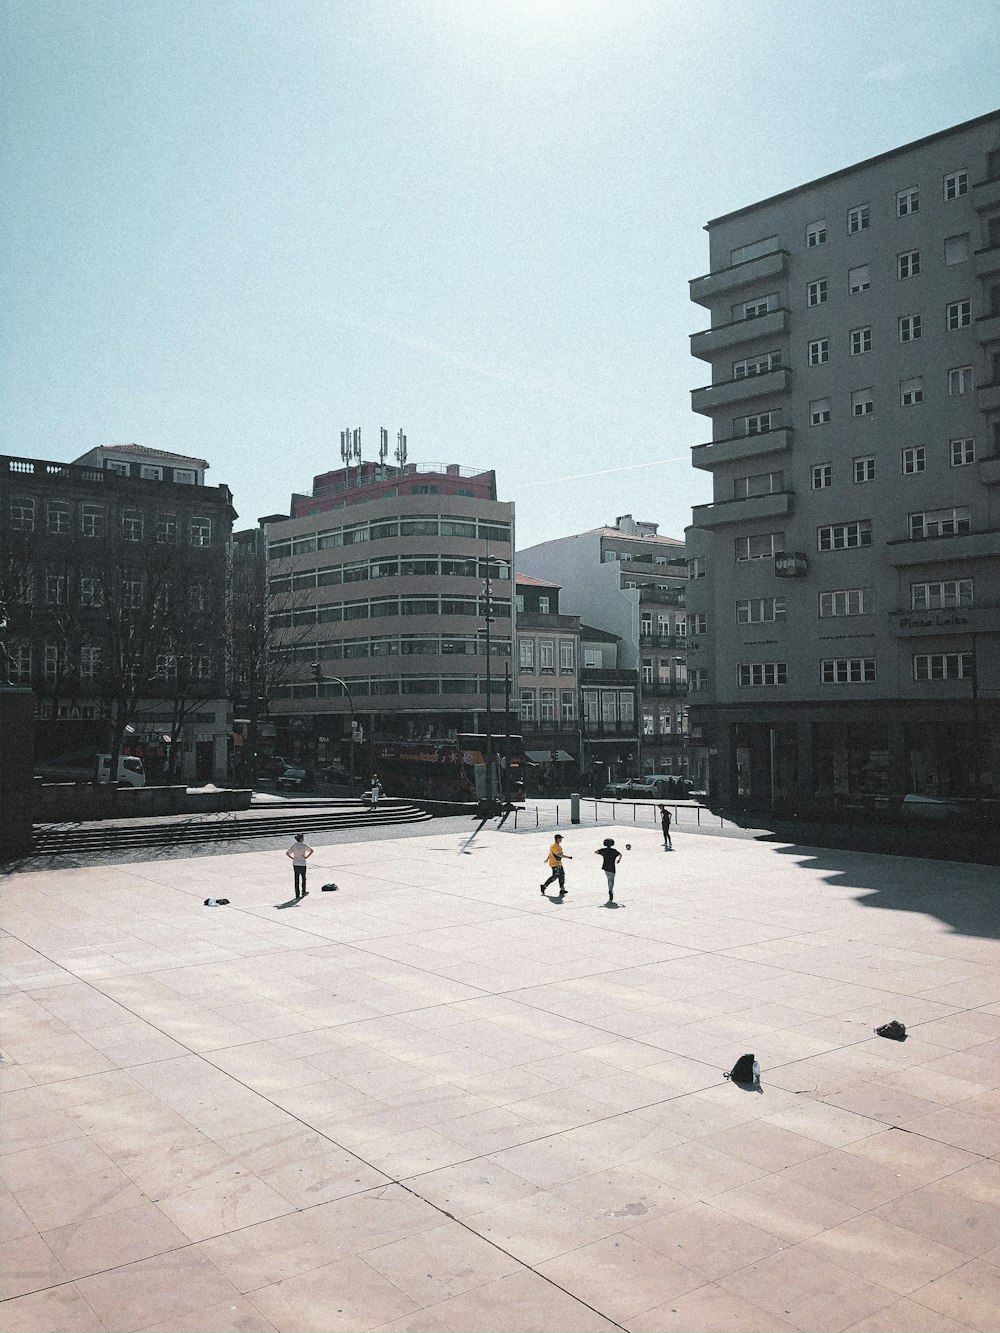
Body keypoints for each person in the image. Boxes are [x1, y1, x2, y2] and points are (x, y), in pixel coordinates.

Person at [286, 832, 313, 898]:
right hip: (302, 863)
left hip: (295, 863)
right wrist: (306, 857)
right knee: (303, 878)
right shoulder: (304, 845)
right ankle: (303, 891)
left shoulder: (294, 845)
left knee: (296, 879)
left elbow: (287, 853)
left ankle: (297, 893)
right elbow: (311, 850)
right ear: (301, 839)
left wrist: (292, 858)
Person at [595, 837, 622, 902]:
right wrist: (618, 860)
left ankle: (610, 889)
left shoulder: (603, 850)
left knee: (608, 878)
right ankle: (611, 890)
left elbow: (596, 852)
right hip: (612, 867)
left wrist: (602, 854)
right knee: (611, 879)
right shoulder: (614, 851)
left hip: (605, 867)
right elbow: (620, 854)